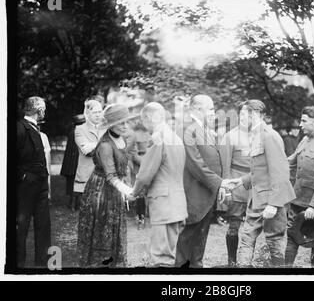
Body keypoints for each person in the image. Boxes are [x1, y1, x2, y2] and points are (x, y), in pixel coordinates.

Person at [234, 100, 296, 268]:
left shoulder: (269, 136)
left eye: (243, 114)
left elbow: (281, 171)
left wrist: (274, 204)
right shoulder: (255, 134)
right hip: (256, 199)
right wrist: (241, 181)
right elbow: (260, 169)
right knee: (246, 237)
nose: (240, 118)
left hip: (272, 200)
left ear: (255, 115)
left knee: (274, 241)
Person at [77, 104, 138, 267]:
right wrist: (127, 190)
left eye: (127, 122)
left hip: (115, 190)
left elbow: (125, 164)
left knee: (114, 229)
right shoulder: (105, 145)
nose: (125, 126)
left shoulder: (122, 138)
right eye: (121, 123)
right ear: (111, 124)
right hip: (100, 192)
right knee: (102, 231)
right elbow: (110, 176)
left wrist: (128, 183)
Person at [175, 94, 232, 268]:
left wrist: (219, 185)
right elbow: (195, 163)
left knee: (199, 240)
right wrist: (219, 183)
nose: (214, 113)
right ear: (198, 109)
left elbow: (213, 159)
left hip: (206, 193)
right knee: (186, 242)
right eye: (211, 109)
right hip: (193, 194)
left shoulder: (203, 129)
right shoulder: (187, 129)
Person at [131, 102, 187, 267]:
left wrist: (133, 192)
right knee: (170, 255)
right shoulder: (176, 137)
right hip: (178, 203)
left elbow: (145, 174)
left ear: (148, 118)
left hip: (163, 203)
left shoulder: (158, 138)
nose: (144, 125)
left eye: (143, 120)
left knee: (161, 259)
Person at [284, 106, 314, 268]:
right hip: (297, 198)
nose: (300, 124)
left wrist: (312, 205)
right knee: (291, 236)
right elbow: (291, 162)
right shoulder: (304, 140)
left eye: (304, 121)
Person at [17, 96, 51, 268]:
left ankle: (43, 265)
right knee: (21, 227)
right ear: (38, 110)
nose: (44, 112)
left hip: (41, 186)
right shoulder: (19, 128)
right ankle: (17, 266)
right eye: (43, 109)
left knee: (44, 225)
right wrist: (23, 176)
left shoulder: (36, 129)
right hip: (26, 187)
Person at [220, 109, 252, 267]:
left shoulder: (260, 135)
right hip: (236, 188)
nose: (246, 117)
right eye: (244, 114)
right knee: (234, 227)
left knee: (255, 228)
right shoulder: (230, 136)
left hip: (256, 187)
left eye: (250, 114)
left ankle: (249, 261)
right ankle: (231, 262)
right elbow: (225, 166)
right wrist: (226, 188)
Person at [73, 100, 105, 211]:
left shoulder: (106, 129)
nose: (98, 115)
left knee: (103, 215)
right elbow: (87, 151)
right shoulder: (80, 129)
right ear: (87, 114)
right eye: (94, 112)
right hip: (87, 178)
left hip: (105, 178)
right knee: (87, 215)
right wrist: (105, 144)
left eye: (100, 112)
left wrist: (93, 145)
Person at [60, 114, 86, 209]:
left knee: (71, 184)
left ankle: (72, 203)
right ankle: (76, 204)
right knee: (78, 184)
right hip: (77, 163)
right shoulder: (80, 133)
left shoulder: (73, 132)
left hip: (71, 163)